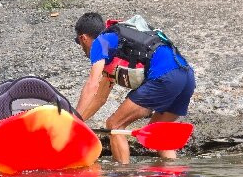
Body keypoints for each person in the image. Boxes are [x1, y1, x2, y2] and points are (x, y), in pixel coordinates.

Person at [73, 12, 194, 163]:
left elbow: (92, 84)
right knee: (158, 134)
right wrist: (80, 122)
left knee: (114, 124)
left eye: (80, 43)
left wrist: (72, 119)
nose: (82, 47)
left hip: (165, 77)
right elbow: (99, 98)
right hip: (186, 76)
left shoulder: (100, 42)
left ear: (83, 38)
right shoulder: (116, 43)